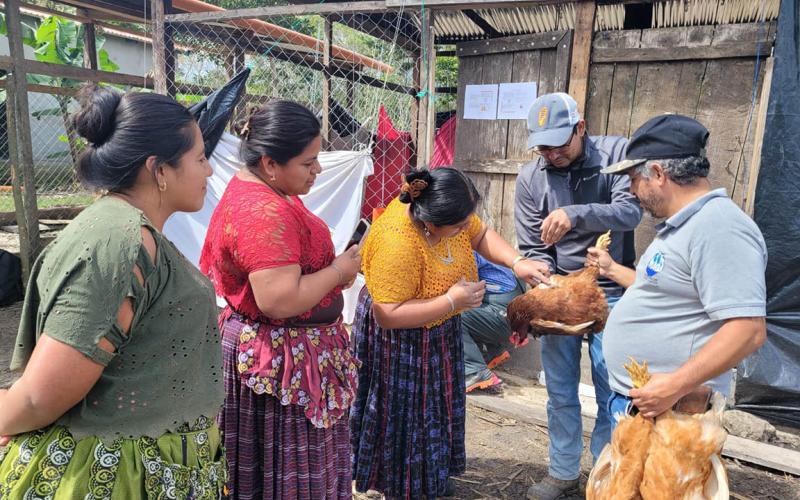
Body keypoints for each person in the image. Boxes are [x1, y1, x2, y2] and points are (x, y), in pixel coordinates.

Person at [0, 84, 227, 497]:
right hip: (114, 477)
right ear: (159, 170)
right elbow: (41, 394)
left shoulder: (130, 232)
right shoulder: (120, 240)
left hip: (144, 467)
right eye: (199, 158)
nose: (209, 171)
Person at [200, 100, 362, 499]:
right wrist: (339, 273)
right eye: (308, 163)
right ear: (271, 163)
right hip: (279, 361)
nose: (317, 170)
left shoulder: (269, 191)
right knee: (288, 477)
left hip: (287, 355)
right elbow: (278, 300)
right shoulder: (262, 212)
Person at [350, 167, 544, 499]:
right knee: (405, 416)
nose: (464, 230)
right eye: (456, 226)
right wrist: (452, 300)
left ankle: (430, 474)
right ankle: (400, 484)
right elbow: (388, 314)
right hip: (401, 338)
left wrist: (518, 262)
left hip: (439, 323)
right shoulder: (397, 241)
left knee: (435, 408)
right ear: (430, 223)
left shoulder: (446, 214)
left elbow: (480, 235)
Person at [586, 114, 767, 422]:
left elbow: (748, 330)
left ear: (657, 173)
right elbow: (664, 290)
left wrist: (675, 384)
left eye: (633, 180)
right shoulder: (683, 227)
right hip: (652, 404)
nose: (631, 191)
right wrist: (612, 269)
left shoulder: (720, 228)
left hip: (675, 410)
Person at [515, 92, 642, 500]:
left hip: (611, 293)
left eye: (559, 144)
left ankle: (606, 475)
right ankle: (563, 470)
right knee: (560, 389)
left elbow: (630, 212)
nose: (551, 154)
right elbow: (533, 248)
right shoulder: (531, 178)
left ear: (581, 128)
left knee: (614, 391)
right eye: (543, 146)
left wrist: (576, 213)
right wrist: (544, 280)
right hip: (561, 295)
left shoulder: (615, 153)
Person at [463, 252, 524, 393]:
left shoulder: (466, 251)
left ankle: (475, 372)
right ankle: (494, 351)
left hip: (503, 315)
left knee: (454, 315)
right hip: (511, 315)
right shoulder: (488, 248)